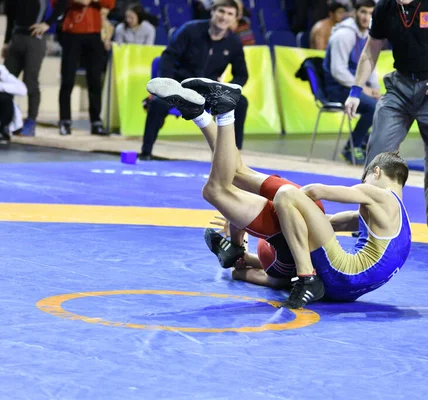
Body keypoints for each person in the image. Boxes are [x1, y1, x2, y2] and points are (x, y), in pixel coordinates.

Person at [144, 76, 326, 290]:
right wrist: (239, 262)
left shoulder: (273, 264)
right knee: (215, 191)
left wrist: (242, 252)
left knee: (237, 172)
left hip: (309, 208)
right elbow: (248, 275)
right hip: (289, 227)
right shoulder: (280, 272)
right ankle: (226, 110)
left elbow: (256, 265)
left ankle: (199, 115)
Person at [344, 0, 428, 241]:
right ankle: (368, 219)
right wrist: (355, 91)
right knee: (377, 153)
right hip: (400, 87)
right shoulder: (385, 7)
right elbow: (371, 48)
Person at [272, 150, 412, 309]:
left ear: (376, 172)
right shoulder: (402, 221)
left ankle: (306, 279)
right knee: (278, 277)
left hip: (342, 275)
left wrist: (278, 205)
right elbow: (331, 222)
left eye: (364, 180)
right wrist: (292, 218)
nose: (364, 184)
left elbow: (315, 191)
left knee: (286, 194)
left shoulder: (379, 195)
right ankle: (246, 261)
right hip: (346, 293)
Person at [140, 0, 248, 160]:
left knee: (240, 102)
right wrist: (168, 86)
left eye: (229, 14)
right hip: (180, 88)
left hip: (209, 91)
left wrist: (227, 90)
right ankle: (146, 152)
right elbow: (168, 57)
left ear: (235, 19)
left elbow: (242, 74)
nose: (224, 17)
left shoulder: (234, 43)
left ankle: (232, 156)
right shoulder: (190, 30)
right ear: (212, 12)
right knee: (157, 103)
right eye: (221, 12)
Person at [38, 0, 116, 136]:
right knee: (67, 79)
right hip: (71, 32)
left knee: (95, 79)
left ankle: (96, 121)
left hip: (94, 33)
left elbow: (110, 4)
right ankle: (65, 120)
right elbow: (55, 3)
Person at [322, 0, 379, 164]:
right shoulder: (344, 35)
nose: (366, 17)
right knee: (373, 107)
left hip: (356, 86)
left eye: (371, 13)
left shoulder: (368, 34)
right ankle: (351, 147)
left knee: (386, 105)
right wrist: (363, 89)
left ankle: (364, 143)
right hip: (337, 88)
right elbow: (338, 70)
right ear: (354, 12)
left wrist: (374, 88)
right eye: (363, 12)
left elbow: (370, 64)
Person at [2, 0, 67, 136]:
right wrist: (7, 42)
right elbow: (11, 17)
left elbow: (63, 3)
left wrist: (48, 23)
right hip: (17, 37)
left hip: (34, 38)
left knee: (30, 81)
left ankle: (31, 121)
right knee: (6, 82)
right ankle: (6, 121)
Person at [0, 64, 28, 145]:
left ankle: (3, 129)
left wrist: (1, 87)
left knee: (5, 98)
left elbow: (23, 90)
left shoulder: (2, 72)